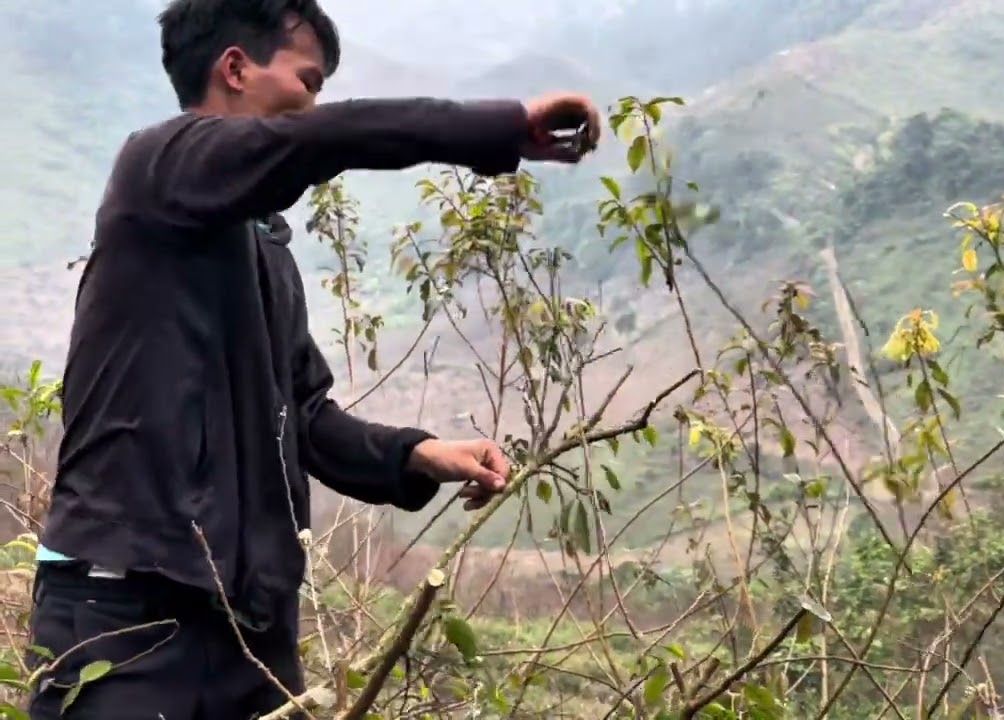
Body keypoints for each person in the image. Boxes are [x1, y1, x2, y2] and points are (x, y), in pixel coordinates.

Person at [24, 0, 602, 717]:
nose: (314, 103)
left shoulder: (263, 245)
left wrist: (418, 454)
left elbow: (302, 415)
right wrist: (501, 127)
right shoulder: (157, 166)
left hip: (249, 628)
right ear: (235, 68)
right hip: (123, 609)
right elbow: (326, 138)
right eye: (309, 79)